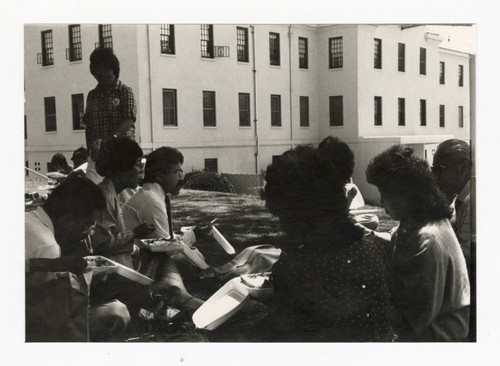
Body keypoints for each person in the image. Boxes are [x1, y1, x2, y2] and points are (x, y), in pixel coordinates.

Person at [254, 145, 394, 342]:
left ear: (296, 214)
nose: (281, 222)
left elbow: (283, 335)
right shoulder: (372, 247)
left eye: (281, 214)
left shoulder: (296, 269)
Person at [366, 145, 470, 341]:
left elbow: (411, 316)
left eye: (385, 193)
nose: (381, 200)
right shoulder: (417, 223)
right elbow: (396, 243)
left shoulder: (428, 240)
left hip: (438, 341)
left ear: (407, 194)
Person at [25, 176, 130, 341]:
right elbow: (52, 314)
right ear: (68, 219)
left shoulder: (29, 217)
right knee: (117, 312)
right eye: (89, 225)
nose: (90, 233)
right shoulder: (48, 247)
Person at [122, 147, 205, 317]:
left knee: (193, 256)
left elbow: (167, 241)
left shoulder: (154, 195)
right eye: (177, 173)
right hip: (134, 266)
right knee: (187, 258)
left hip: (142, 258)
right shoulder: (151, 201)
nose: (181, 178)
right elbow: (167, 247)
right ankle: (184, 300)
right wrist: (194, 235)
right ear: (160, 175)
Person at [83, 47, 137, 185]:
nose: (102, 73)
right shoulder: (91, 96)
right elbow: (89, 125)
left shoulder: (124, 91)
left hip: (122, 154)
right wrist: (91, 148)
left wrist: (112, 138)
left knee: (125, 194)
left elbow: (129, 119)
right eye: (98, 70)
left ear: (114, 69)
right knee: (93, 190)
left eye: (106, 69)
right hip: (99, 155)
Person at [318, 136, 379, 231]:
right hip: (328, 227)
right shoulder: (321, 185)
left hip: (338, 221)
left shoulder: (336, 183)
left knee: (372, 219)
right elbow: (339, 215)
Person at [432, 139, 472, 270]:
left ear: (463, 169)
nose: (435, 176)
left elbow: (466, 257)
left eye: (439, 169)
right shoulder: (463, 197)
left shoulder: (472, 202)